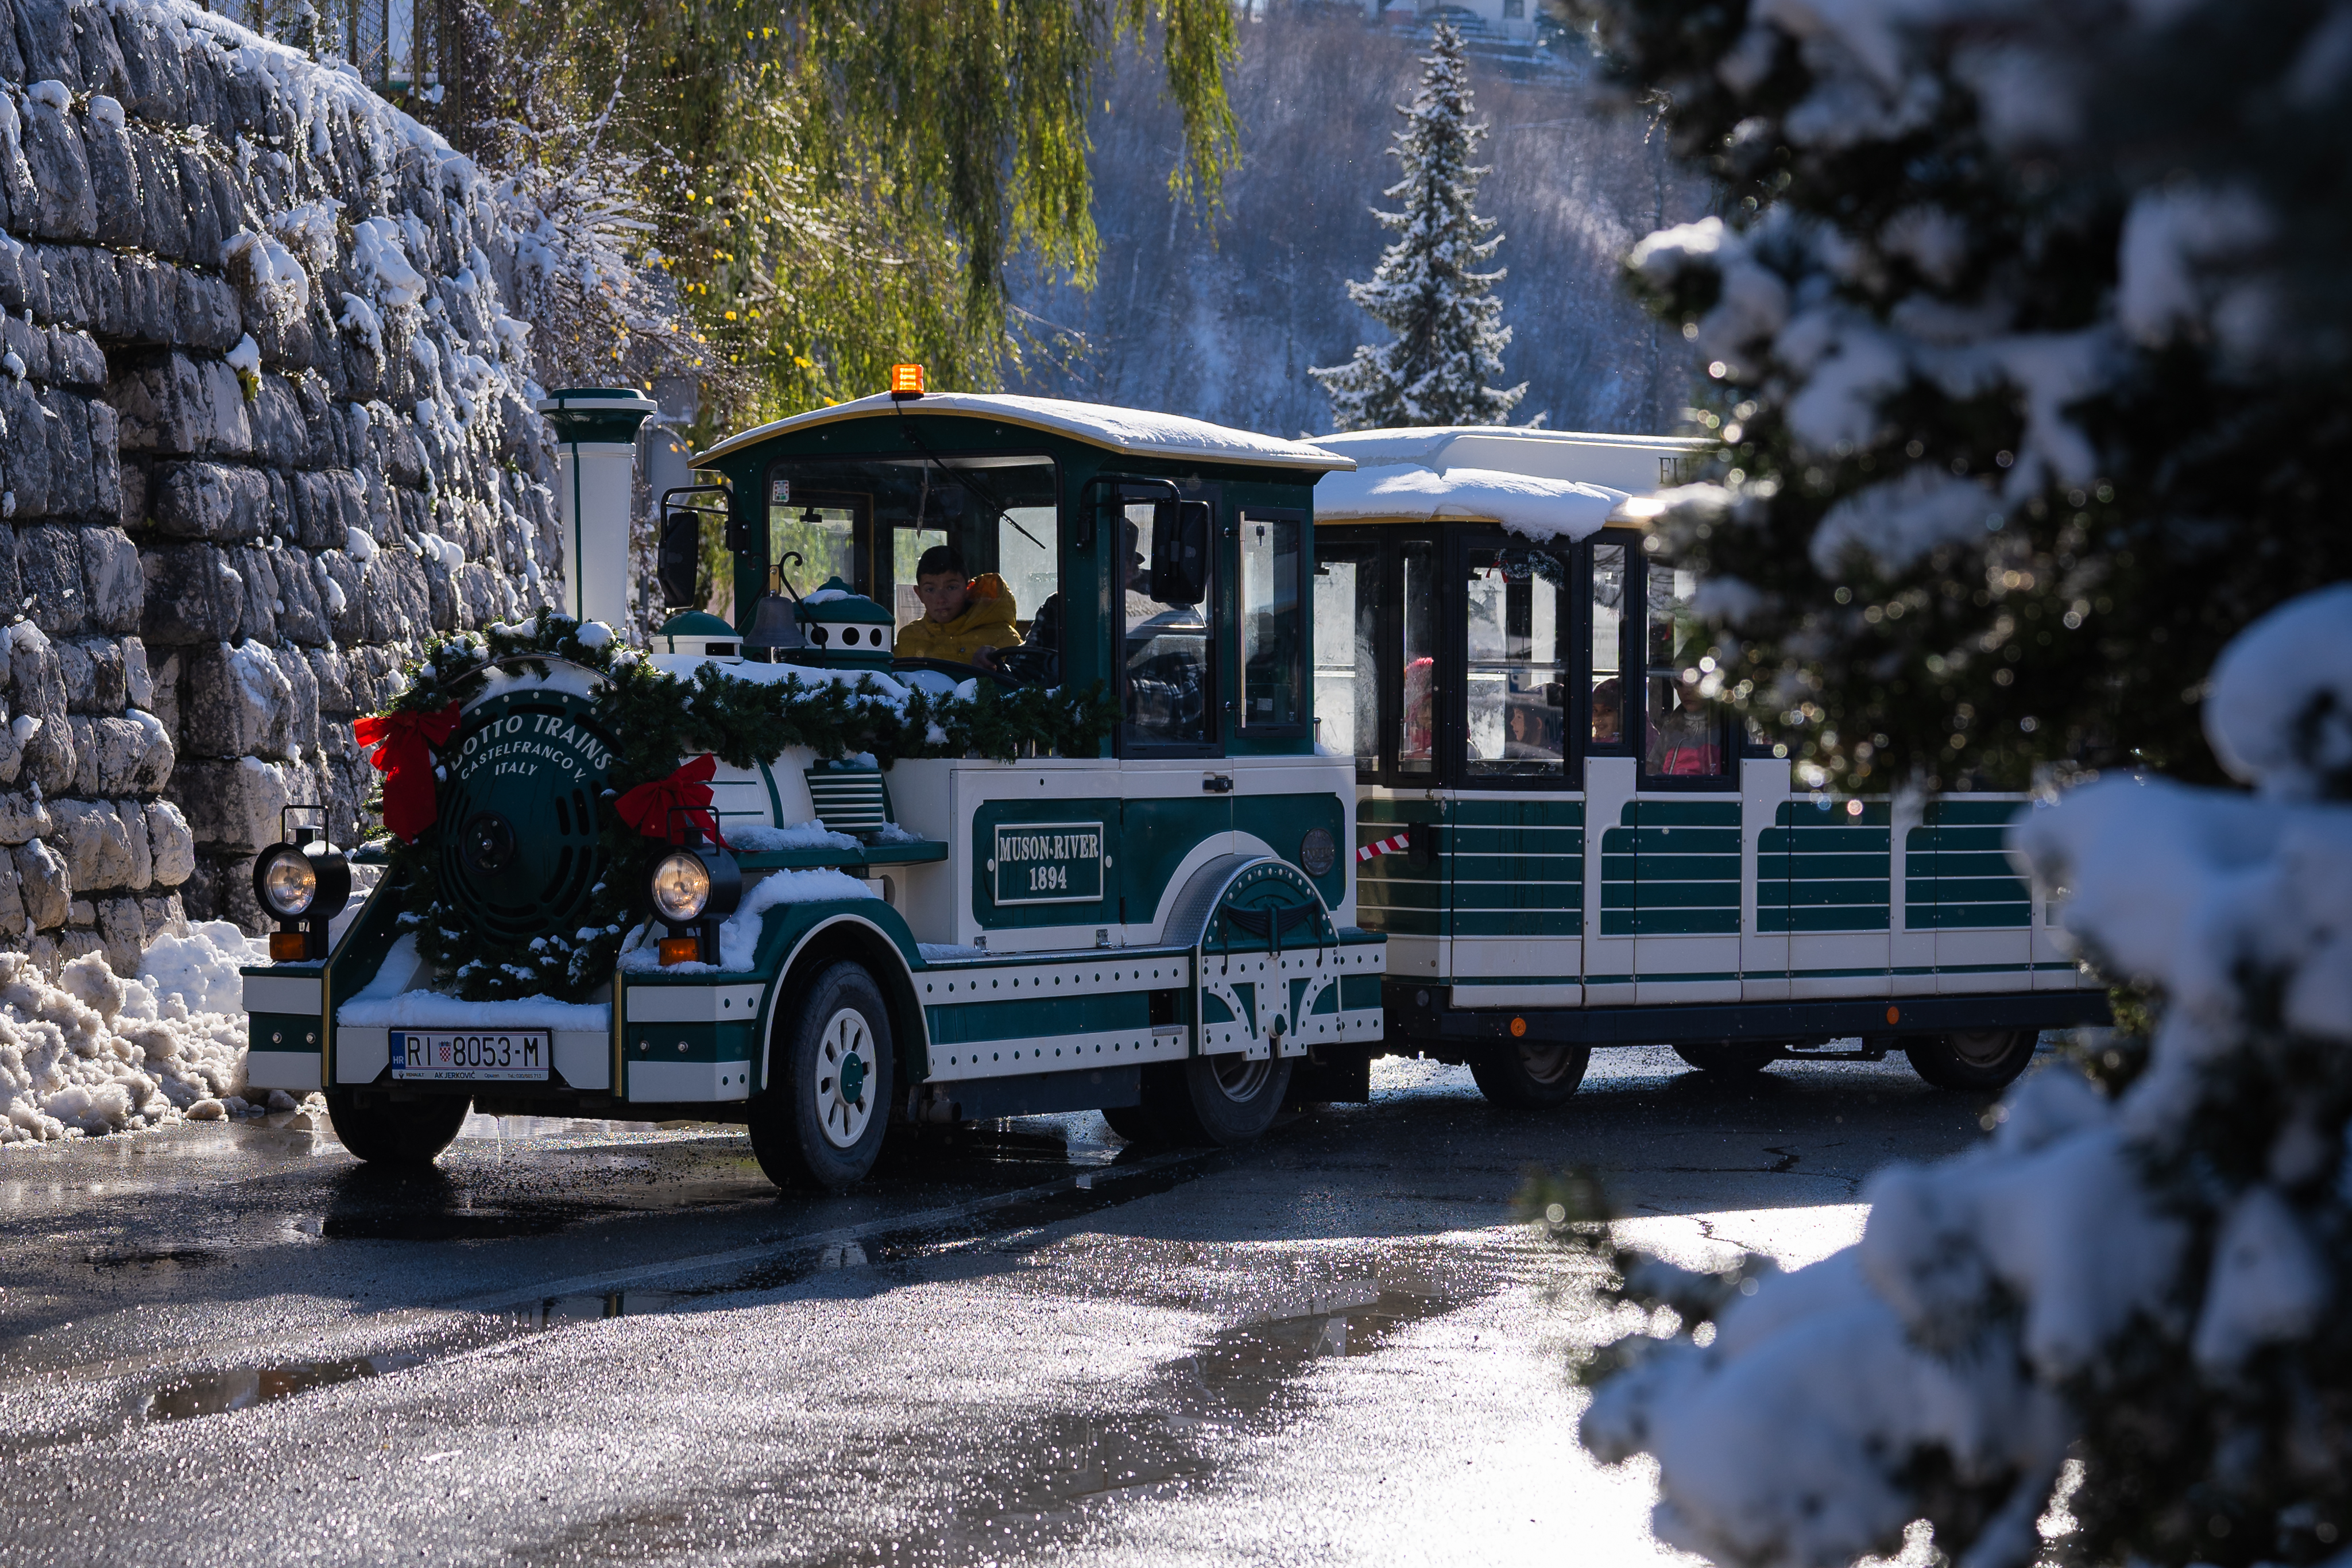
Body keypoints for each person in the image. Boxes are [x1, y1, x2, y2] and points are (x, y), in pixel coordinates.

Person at [893, 545, 1020, 667]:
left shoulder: (1003, 639)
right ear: (919, 594)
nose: (941, 599)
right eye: (930, 590)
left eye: (951, 588)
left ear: (968, 589)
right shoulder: (908, 638)